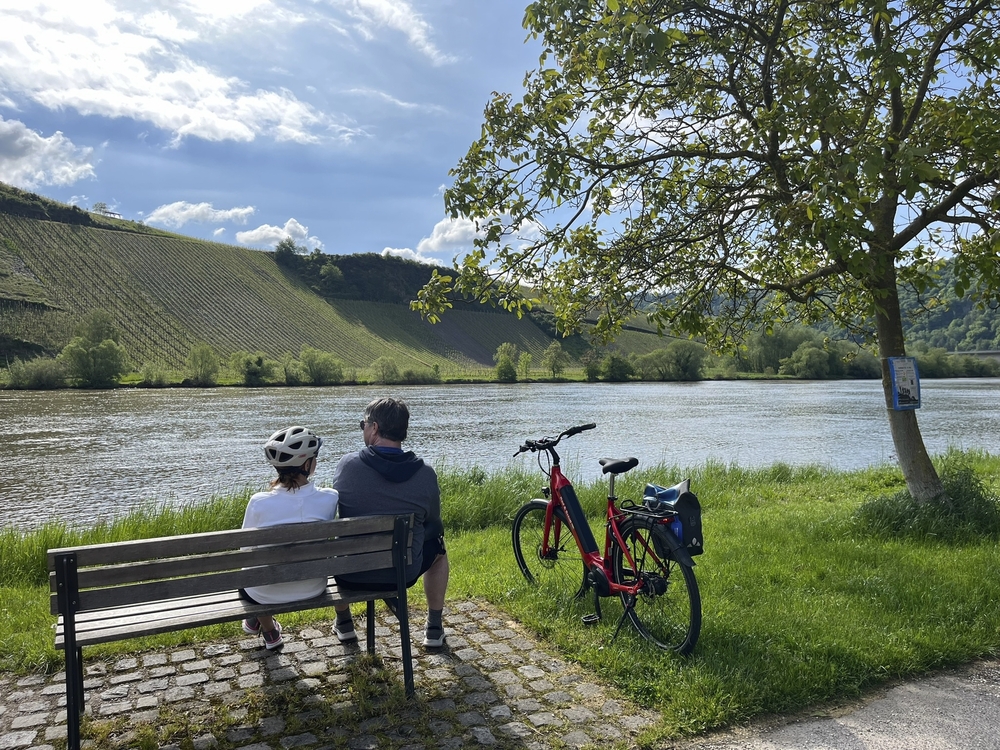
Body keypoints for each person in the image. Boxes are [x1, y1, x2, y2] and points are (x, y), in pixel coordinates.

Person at [331, 397, 449, 647]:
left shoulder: (348, 466)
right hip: (402, 572)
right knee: (438, 548)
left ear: (374, 428)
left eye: (362, 424)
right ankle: (434, 628)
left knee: (334, 545)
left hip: (352, 573)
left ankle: (344, 621)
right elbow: (433, 520)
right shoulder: (425, 473)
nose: (362, 428)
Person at [240, 426, 338, 650]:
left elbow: (245, 550)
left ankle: (269, 631)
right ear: (306, 465)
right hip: (313, 585)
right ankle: (261, 624)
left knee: (251, 574)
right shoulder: (330, 498)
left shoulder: (259, 502)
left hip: (264, 593)